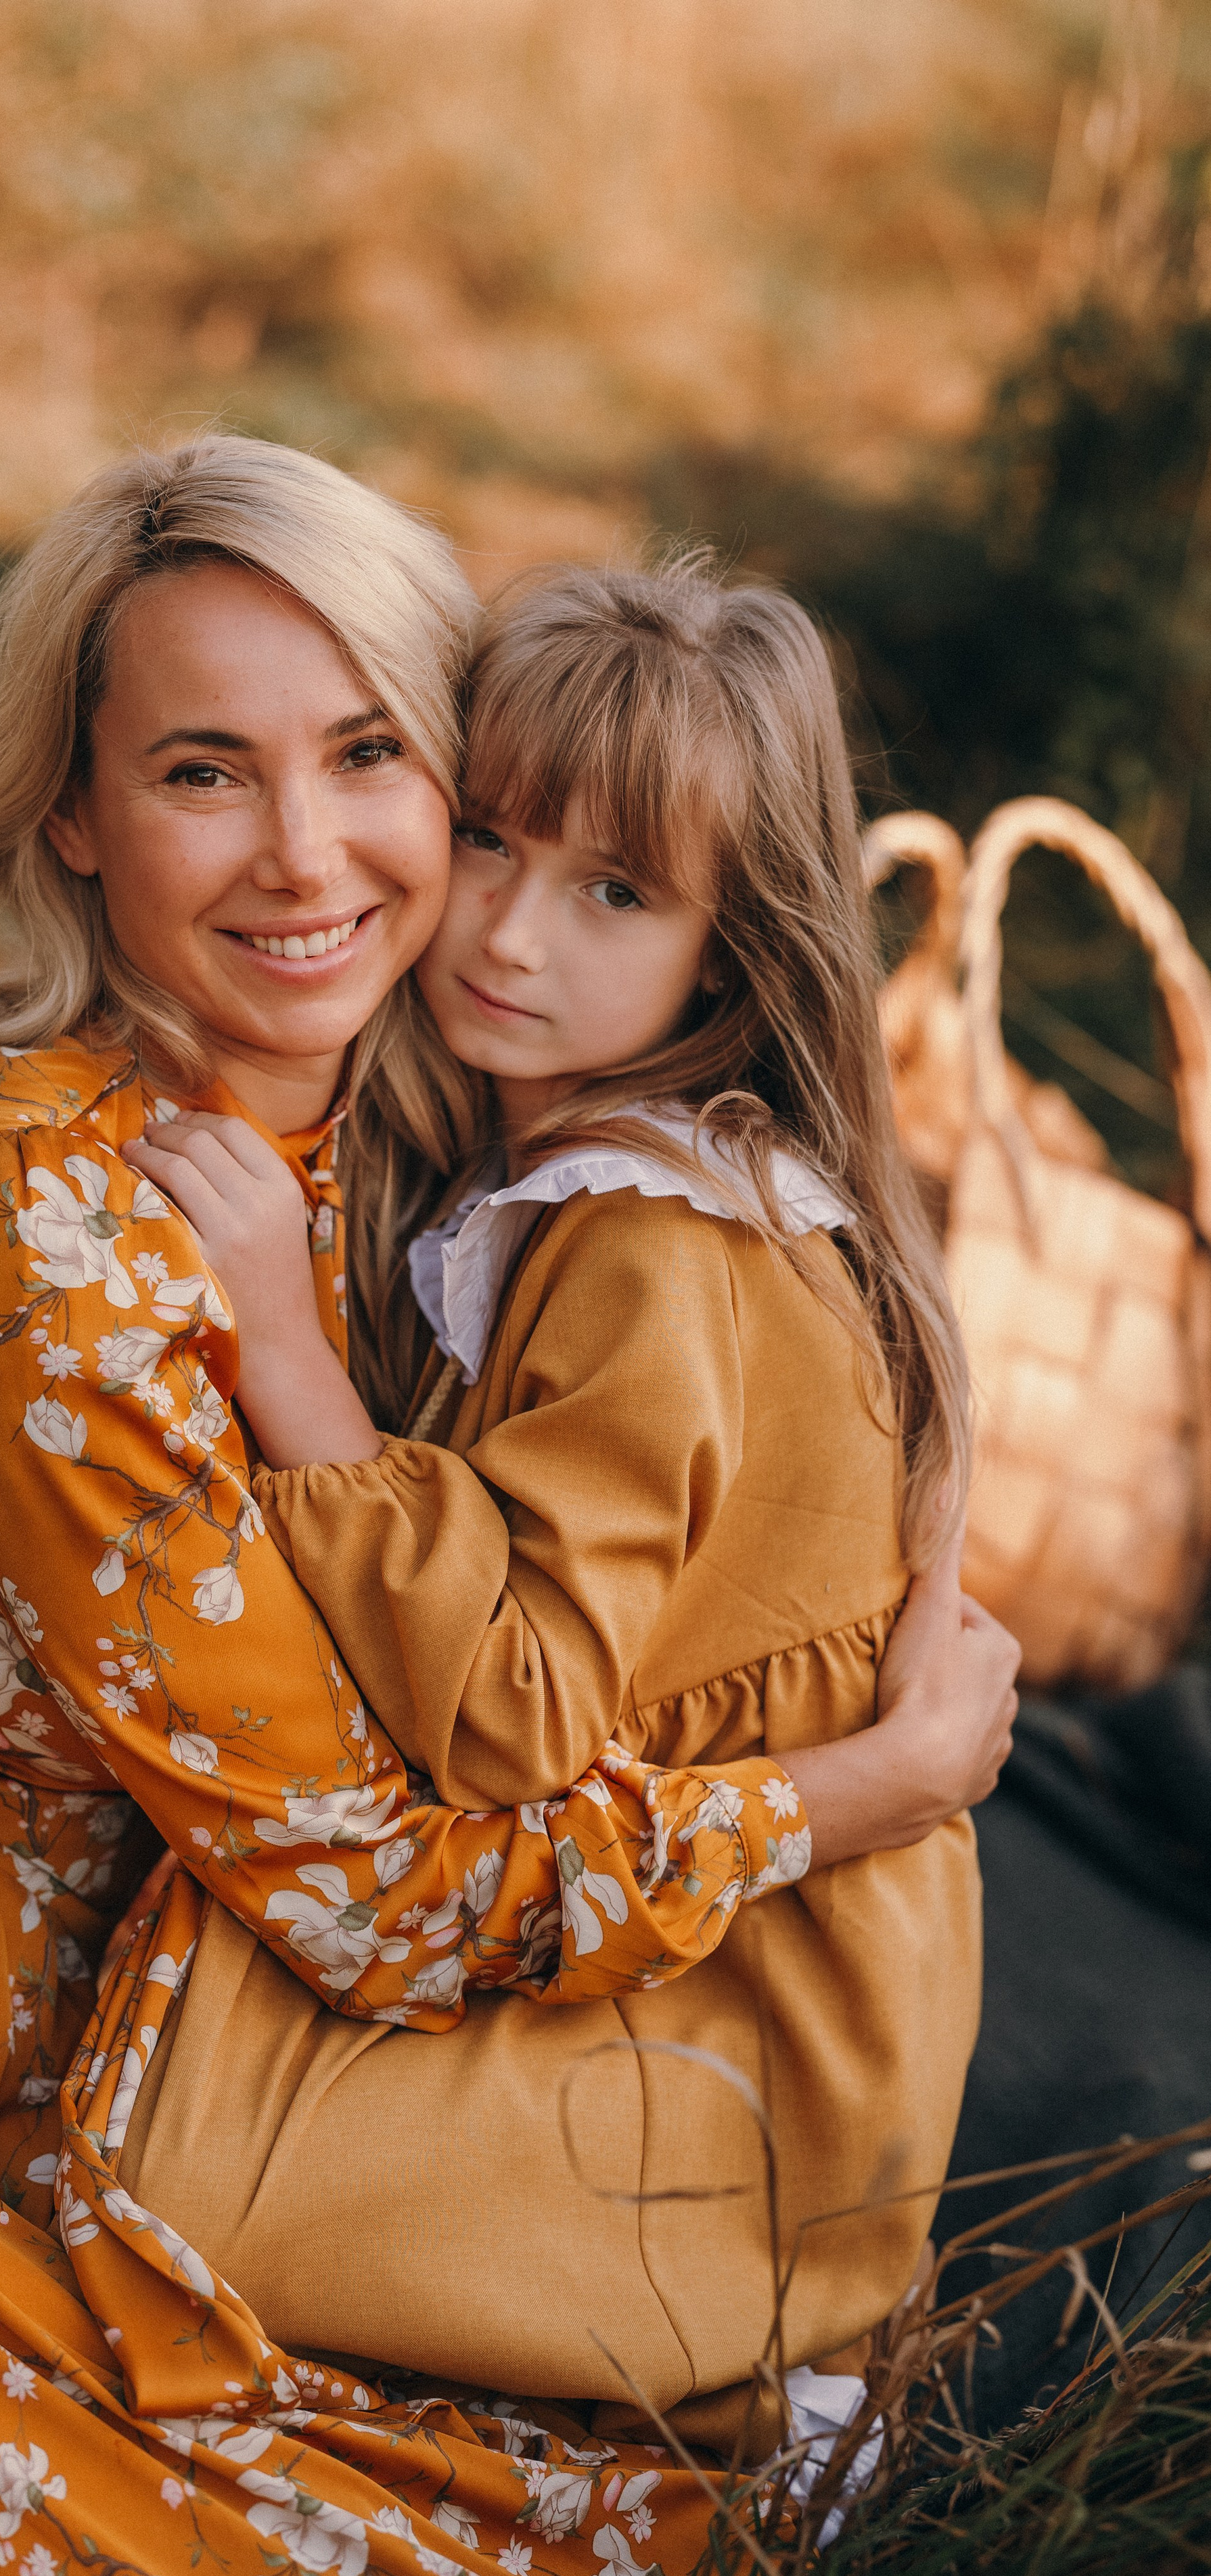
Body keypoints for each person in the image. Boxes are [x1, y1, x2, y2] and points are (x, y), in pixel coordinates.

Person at [0, 440, 1015, 2576]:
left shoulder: (415, 1147)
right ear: (72, 816)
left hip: (87, 2051)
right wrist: (858, 1791)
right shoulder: (44, 1238)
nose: (309, 853)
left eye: (371, 756)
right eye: (204, 772)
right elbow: (373, 1894)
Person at [116, 555, 999, 2445]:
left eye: (617, 892)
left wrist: (288, 1357)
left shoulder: (651, 1240)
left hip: (739, 2032)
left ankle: (775, 2386)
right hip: (692, 1917)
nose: (510, 936)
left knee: (166, 2170)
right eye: (491, 840)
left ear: (730, 945)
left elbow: (516, 1708)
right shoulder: (575, 1176)